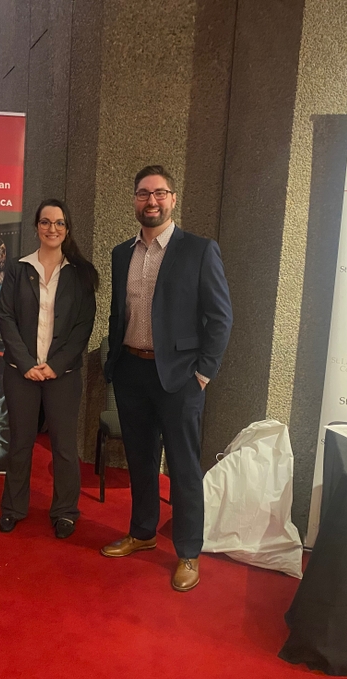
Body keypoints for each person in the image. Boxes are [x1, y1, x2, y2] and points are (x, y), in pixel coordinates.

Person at [101, 165, 233, 591]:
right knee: (139, 459)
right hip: (131, 371)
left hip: (180, 377)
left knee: (182, 467)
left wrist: (204, 373)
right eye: (143, 194)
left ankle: (188, 553)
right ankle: (141, 533)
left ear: (172, 199)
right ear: (134, 200)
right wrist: (114, 361)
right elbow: (120, 312)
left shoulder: (199, 249)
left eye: (159, 193)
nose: (151, 201)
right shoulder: (123, 252)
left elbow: (220, 317)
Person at [0, 198, 97, 538]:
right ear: (36, 226)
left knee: (65, 448)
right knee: (20, 444)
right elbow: (6, 318)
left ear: (67, 229)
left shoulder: (80, 273)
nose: (52, 228)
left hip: (62, 376)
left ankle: (66, 511)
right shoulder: (17, 268)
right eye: (45, 222)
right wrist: (26, 364)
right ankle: (13, 507)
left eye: (59, 223)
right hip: (20, 373)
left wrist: (55, 365)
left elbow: (83, 327)